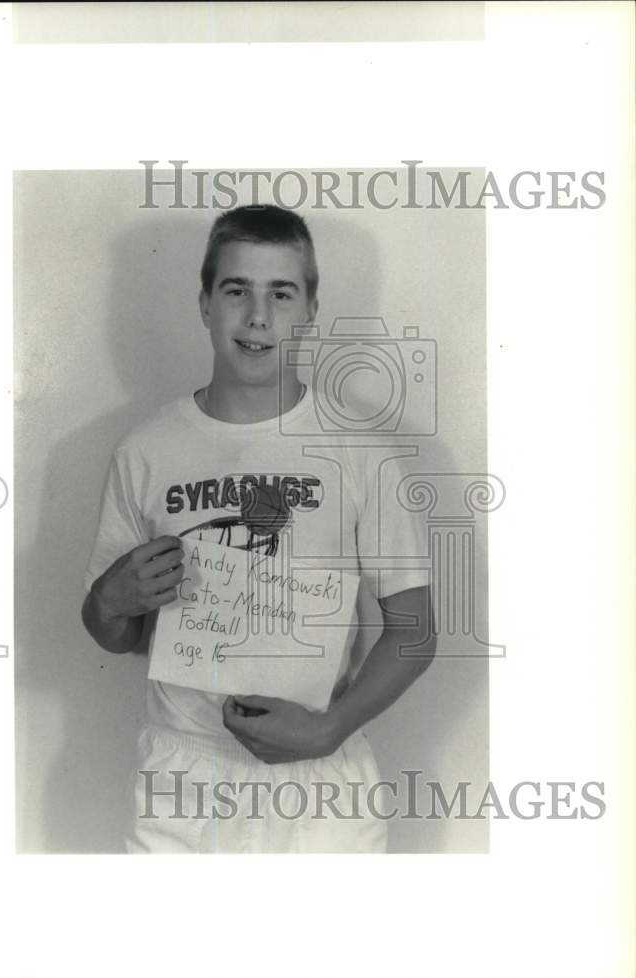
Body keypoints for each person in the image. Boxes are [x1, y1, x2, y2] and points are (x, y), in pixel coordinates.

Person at [82, 204, 435, 852]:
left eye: (281, 293)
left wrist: (332, 728)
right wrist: (107, 602)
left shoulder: (360, 453)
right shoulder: (148, 450)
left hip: (322, 775)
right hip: (183, 777)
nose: (257, 317)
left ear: (310, 308)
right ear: (205, 302)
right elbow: (119, 633)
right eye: (236, 290)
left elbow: (415, 635)